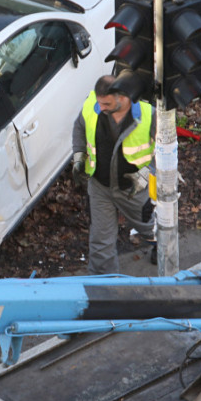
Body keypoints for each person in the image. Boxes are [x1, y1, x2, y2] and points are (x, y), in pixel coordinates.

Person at [71, 75, 156, 275]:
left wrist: (145, 175)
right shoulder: (93, 105)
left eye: (107, 103)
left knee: (151, 228)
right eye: (100, 103)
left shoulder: (149, 116)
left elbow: (168, 150)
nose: (101, 108)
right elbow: (79, 128)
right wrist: (78, 157)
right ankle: (103, 284)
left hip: (135, 190)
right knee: (100, 242)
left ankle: (161, 248)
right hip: (100, 187)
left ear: (123, 98)